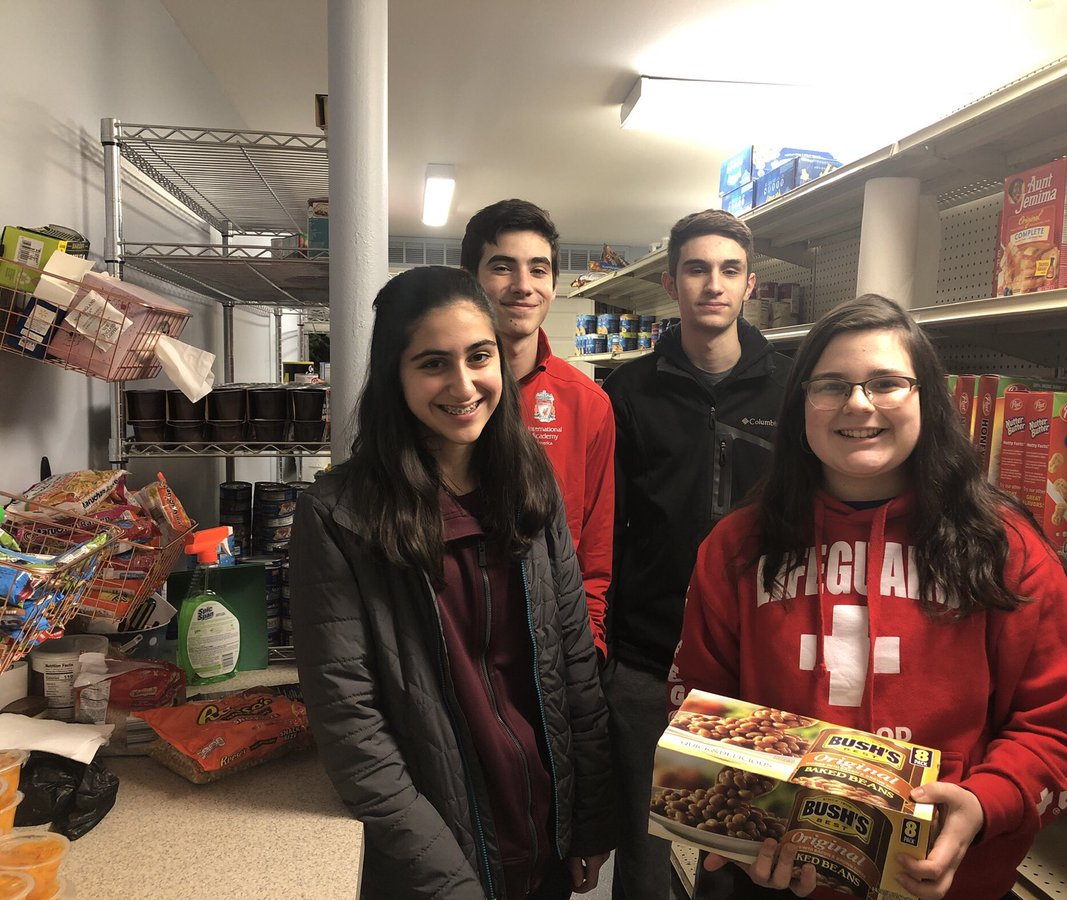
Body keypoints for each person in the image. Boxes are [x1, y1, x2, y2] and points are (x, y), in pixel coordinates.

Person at [670, 294, 1067, 899]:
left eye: (886, 383)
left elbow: (1060, 729)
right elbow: (697, 710)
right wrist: (738, 829)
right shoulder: (735, 547)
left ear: (927, 398)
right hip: (774, 878)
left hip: (950, 885)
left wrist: (983, 804)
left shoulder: (1006, 547)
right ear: (800, 408)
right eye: (831, 386)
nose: (858, 405)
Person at [289, 266, 614, 900]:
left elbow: (575, 667)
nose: (463, 385)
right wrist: (445, 882)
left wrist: (591, 820)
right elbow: (353, 726)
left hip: (541, 827)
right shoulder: (340, 515)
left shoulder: (530, 485)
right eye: (434, 363)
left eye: (479, 357)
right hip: (433, 850)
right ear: (395, 377)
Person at [600, 209, 791, 900]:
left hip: (754, 669)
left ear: (750, 286)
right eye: (697, 269)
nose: (714, 284)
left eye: (729, 270)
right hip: (648, 661)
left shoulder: (793, 390)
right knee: (645, 860)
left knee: (738, 859)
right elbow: (604, 528)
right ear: (671, 281)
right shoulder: (626, 391)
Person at [462, 199, 616, 658]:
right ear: (472, 278)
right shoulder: (440, 397)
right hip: (454, 630)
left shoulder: (586, 403)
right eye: (503, 267)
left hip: (553, 635)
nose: (523, 286)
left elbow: (595, 542)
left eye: (539, 269)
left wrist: (591, 643)